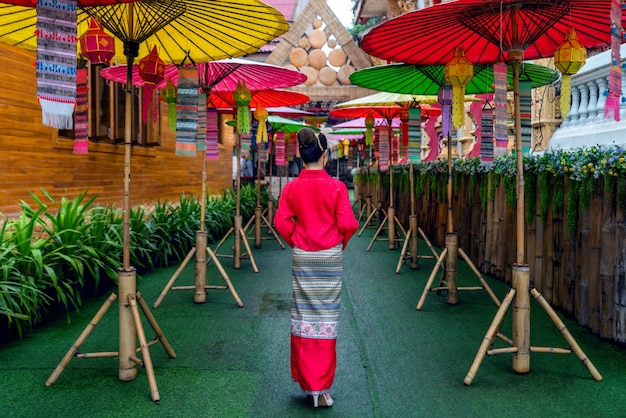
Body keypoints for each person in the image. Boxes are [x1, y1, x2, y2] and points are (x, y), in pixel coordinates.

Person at [274, 128, 359, 408]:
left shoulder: (291, 188)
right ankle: (321, 389)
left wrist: (297, 238)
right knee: (326, 321)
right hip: (329, 260)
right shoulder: (336, 187)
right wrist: (338, 243)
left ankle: (308, 383)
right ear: (325, 156)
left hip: (303, 257)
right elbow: (348, 224)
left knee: (304, 318)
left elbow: (281, 222)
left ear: (300, 155)